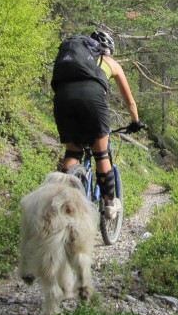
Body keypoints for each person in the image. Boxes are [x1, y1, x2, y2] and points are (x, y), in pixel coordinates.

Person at [52, 30, 145, 219]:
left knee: (72, 152)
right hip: (92, 99)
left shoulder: (75, 61)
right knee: (101, 154)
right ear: (108, 49)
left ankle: (61, 199)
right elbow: (130, 102)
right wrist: (135, 121)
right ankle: (110, 204)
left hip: (62, 97)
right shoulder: (110, 63)